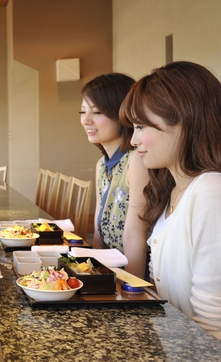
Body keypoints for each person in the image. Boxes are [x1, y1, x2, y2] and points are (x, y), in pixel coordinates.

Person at [120, 61, 221, 362]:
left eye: (142, 127)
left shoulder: (215, 192)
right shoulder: (174, 189)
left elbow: (213, 323)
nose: (133, 141)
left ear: (185, 122)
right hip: (191, 357)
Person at [80, 73, 150, 279]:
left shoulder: (136, 160)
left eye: (97, 112)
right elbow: (98, 228)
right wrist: (93, 271)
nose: (86, 120)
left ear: (122, 113)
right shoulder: (102, 164)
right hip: (111, 271)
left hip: (134, 272)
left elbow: (134, 234)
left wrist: (132, 291)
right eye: (82, 111)